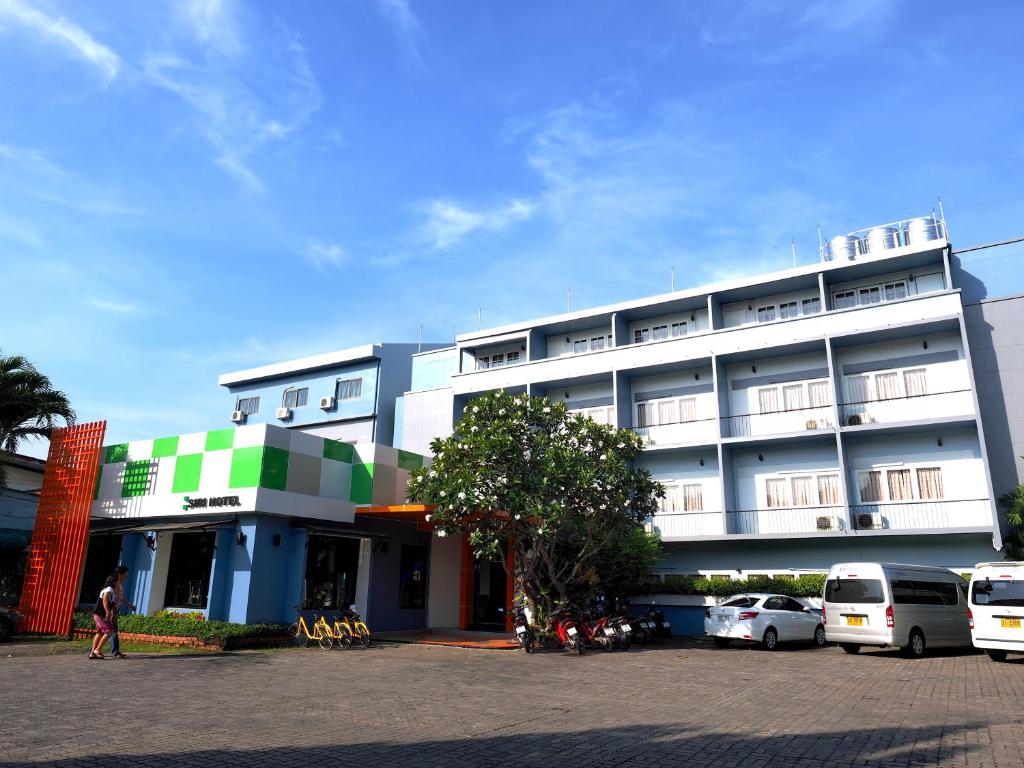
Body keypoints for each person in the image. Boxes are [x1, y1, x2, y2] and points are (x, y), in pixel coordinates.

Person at [109, 565, 135, 659]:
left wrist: (129, 604)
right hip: (112, 609)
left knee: (105, 631)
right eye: (125, 574)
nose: (126, 576)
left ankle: (94, 650)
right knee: (113, 630)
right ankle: (115, 651)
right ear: (120, 574)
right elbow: (110, 597)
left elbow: (120, 596)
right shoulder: (114, 584)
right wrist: (112, 610)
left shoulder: (119, 584)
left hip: (115, 609)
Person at [88, 575, 117, 660]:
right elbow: (105, 599)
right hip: (100, 614)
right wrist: (108, 612)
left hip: (98, 614)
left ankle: (93, 652)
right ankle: (97, 650)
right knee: (110, 630)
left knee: (100, 632)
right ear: (114, 582)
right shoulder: (109, 589)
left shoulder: (107, 589)